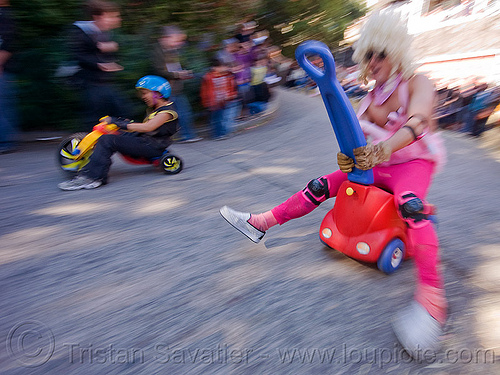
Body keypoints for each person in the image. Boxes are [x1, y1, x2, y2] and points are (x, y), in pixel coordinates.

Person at [220, 11, 447, 357]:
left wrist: (385, 146)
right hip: (379, 166)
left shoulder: (419, 82)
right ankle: (261, 223)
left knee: (411, 205)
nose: (373, 62)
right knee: (321, 184)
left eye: (380, 53)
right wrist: (349, 159)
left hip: (412, 163)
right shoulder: (369, 100)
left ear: (397, 51)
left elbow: (418, 121)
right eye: (368, 55)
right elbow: (355, 142)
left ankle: (432, 302)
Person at [58, 76, 179, 190]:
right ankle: (93, 166)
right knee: (113, 133)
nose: (143, 97)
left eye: (144, 93)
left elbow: (148, 127)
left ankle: (92, 177)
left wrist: (121, 124)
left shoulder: (167, 112)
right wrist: (119, 123)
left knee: (107, 140)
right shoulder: (155, 109)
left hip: (151, 145)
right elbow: (143, 128)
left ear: (157, 93)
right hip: (145, 140)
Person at [69, 0, 131, 131]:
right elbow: (77, 55)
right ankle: (85, 147)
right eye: (111, 16)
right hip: (91, 82)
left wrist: (112, 56)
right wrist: (98, 64)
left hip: (107, 82)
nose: (116, 20)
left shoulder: (108, 33)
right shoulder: (81, 31)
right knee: (93, 117)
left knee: (122, 111)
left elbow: (111, 52)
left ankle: (123, 144)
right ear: (98, 17)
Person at [152, 25, 202, 143]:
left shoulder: (171, 50)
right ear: (167, 37)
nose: (179, 43)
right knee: (175, 113)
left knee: (183, 112)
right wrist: (177, 74)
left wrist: (183, 73)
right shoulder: (158, 51)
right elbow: (158, 71)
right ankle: (185, 136)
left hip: (175, 88)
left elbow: (174, 67)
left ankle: (187, 135)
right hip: (166, 89)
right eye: (176, 40)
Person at [200, 58, 238, 140]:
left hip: (222, 101)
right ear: (214, 67)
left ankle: (221, 133)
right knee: (216, 119)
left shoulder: (224, 75)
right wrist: (207, 102)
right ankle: (217, 135)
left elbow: (226, 87)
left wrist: (229, 96)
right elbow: (205, 91)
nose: (223, 68)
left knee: (221, 118)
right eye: (221, 67)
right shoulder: (208, 77)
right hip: (213, 103)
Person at [0, 0, 19, 154]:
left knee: (3, 105)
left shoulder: (5, 16)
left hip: (3, 68)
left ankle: (6, 142)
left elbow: (8, 44)